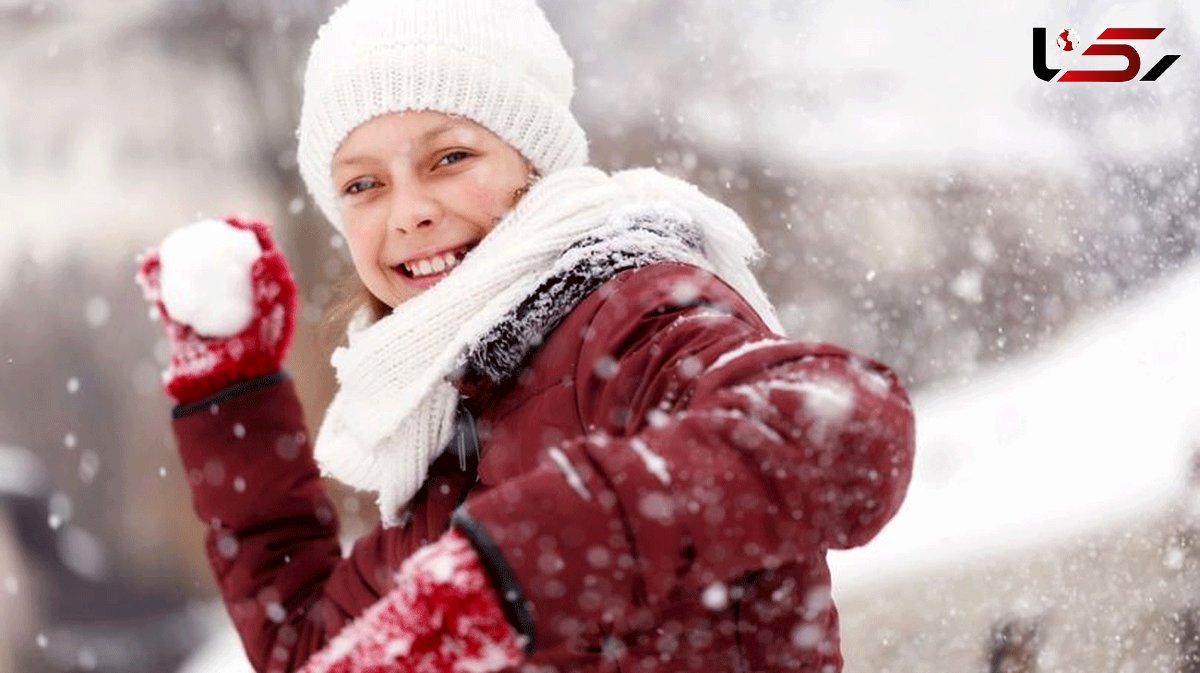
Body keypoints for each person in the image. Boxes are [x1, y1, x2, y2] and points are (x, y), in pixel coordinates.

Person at [134, 1, 915, 672]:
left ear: (534, 161)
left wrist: (513, 565)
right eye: (363, 184)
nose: (407, 211)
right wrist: (230, 394)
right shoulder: (446, 428)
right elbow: (317, 650)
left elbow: (849, 427)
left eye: (449, 157)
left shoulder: (629, 315)